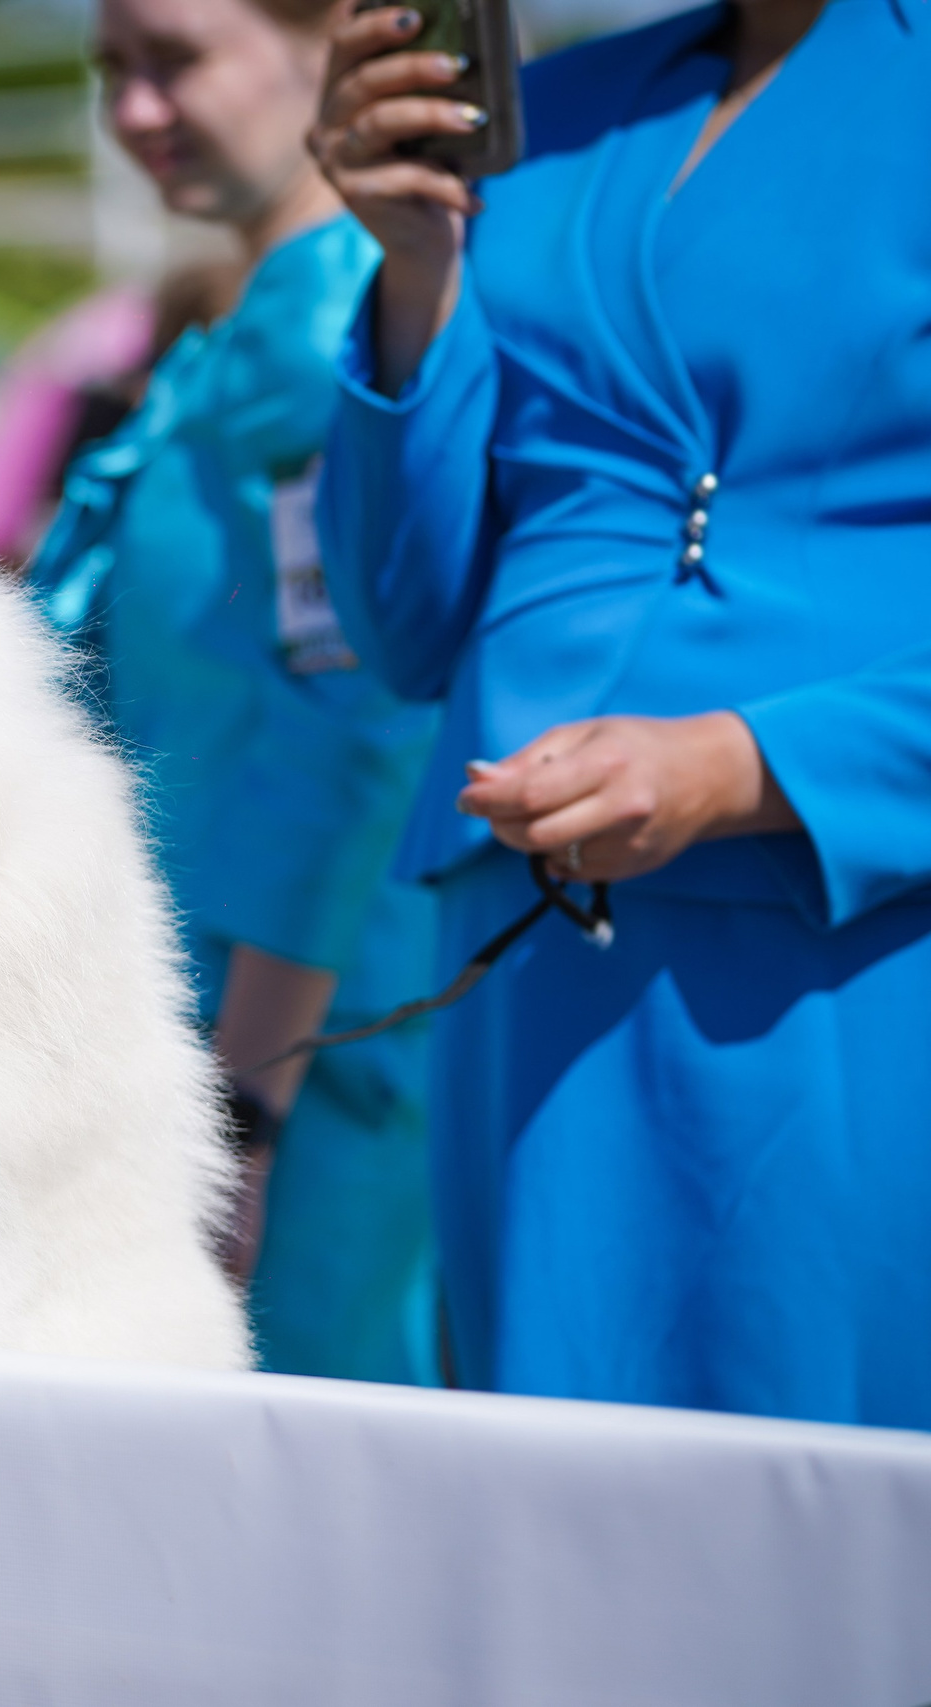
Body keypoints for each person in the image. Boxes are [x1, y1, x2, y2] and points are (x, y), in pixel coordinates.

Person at [312, 0, 931, 1423]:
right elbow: (406, 622)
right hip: (527, 954)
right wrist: (413, 268)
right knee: (557, 1518)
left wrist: (742, 763)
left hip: (837, 931)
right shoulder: (557, 111)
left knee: (834, 1540)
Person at [24, 0, 441, 1383]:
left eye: (176, 60)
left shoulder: (336, 320)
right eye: (109, 72)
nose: (135, 111)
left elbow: (358, 726)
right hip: (224, 1032)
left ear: (335, 35)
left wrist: (242, 1111)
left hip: (310, 1054)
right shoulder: (270, 309)